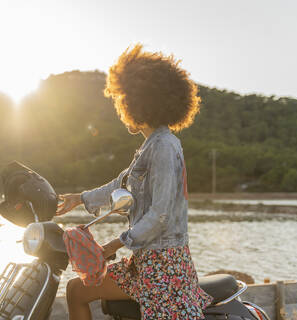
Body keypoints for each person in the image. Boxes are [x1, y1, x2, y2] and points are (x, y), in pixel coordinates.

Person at [56, 44, 212, 320]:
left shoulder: (164, 146)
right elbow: (121, 184)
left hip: (163, 267)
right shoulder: (151, 146)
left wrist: (114, 245)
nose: (121, 108)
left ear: (140, 103)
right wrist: (79, 198)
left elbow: (160, 214)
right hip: (146, 262)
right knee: (76, 290)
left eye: (123, 101)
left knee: (78, 290)